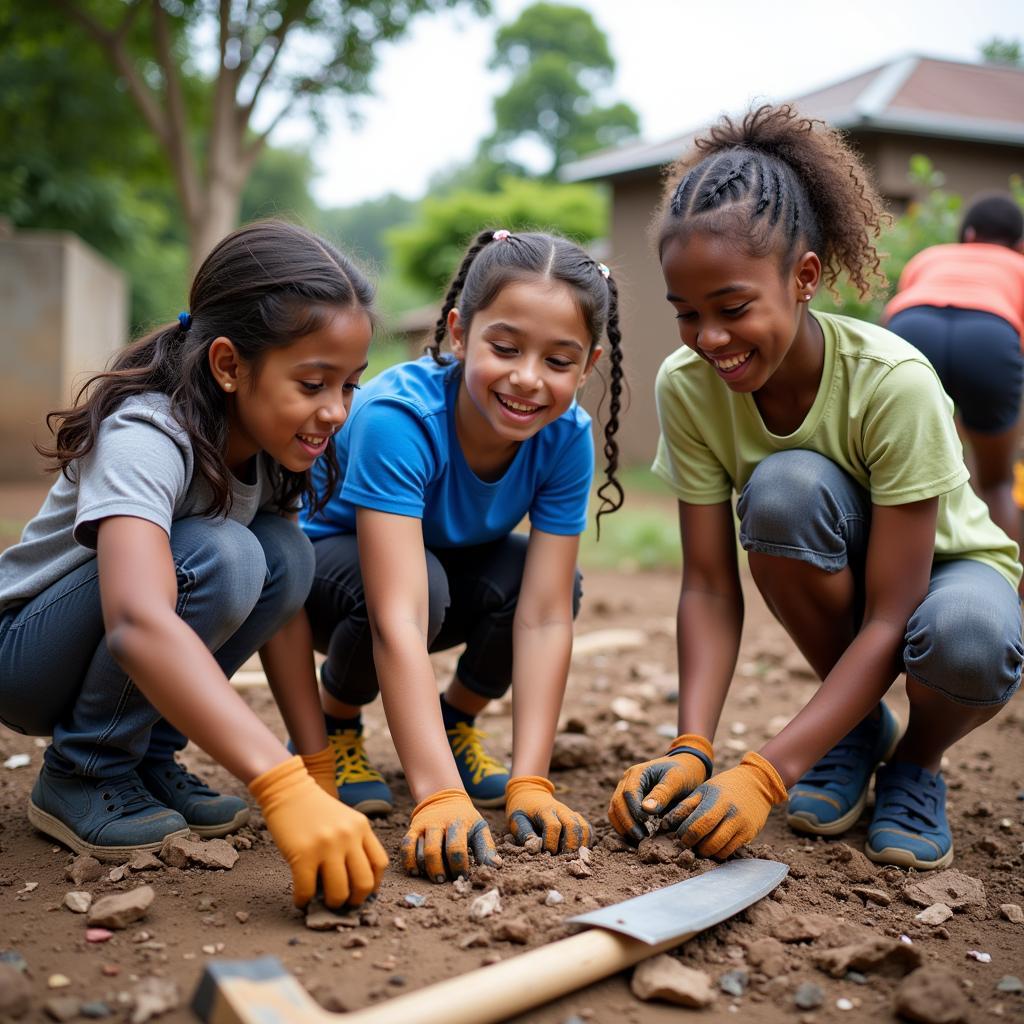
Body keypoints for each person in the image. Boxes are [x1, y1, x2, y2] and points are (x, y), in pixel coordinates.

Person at [607, 106, 1022, 871]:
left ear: (805, 278)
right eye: (687, 316)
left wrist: (769, 770)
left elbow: (895, 609)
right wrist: (694, 746)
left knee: (967, 639)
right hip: (838, 560)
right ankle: (856, 729)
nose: (710, 340)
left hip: (949, 568)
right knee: (784, 491)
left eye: (733, 309)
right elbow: (706, 586)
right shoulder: (689, 387)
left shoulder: (893, 382)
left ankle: (916, 764)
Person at [0, 220, 388, 909]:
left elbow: (286, 616)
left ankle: (146, 755)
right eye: (313, 382)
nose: (334, 411)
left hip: (102, 648)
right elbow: (137, 619)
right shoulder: (148, 431)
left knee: (286, 557)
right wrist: (279, 785)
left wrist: (316, 766)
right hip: (24, 658)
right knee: (223, 553)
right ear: (229, 365)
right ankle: (83, 769)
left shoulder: (271, 447)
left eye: (350, 385)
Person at [301, 228, 624, 881]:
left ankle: (453, 722)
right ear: (458, 333)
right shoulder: (400, 415)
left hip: (438, 570)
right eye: (504, 348)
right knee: (424, 585)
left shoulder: (566, 437)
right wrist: (437, 795)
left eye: (559, 362)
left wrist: (531, 780)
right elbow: (399, 613)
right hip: (323, 578)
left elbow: (544, 615)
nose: (528, 378)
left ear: (588, 365)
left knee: (552, 583)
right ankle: (338, 720)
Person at [885, 194, 1024, 557]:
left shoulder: (930, 256)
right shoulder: (1019, 266)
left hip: (912, 325)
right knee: (996, 483)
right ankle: (1012, 594)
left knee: (896, 476)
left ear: (969, 234)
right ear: (1021, 245)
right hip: (991, 336)